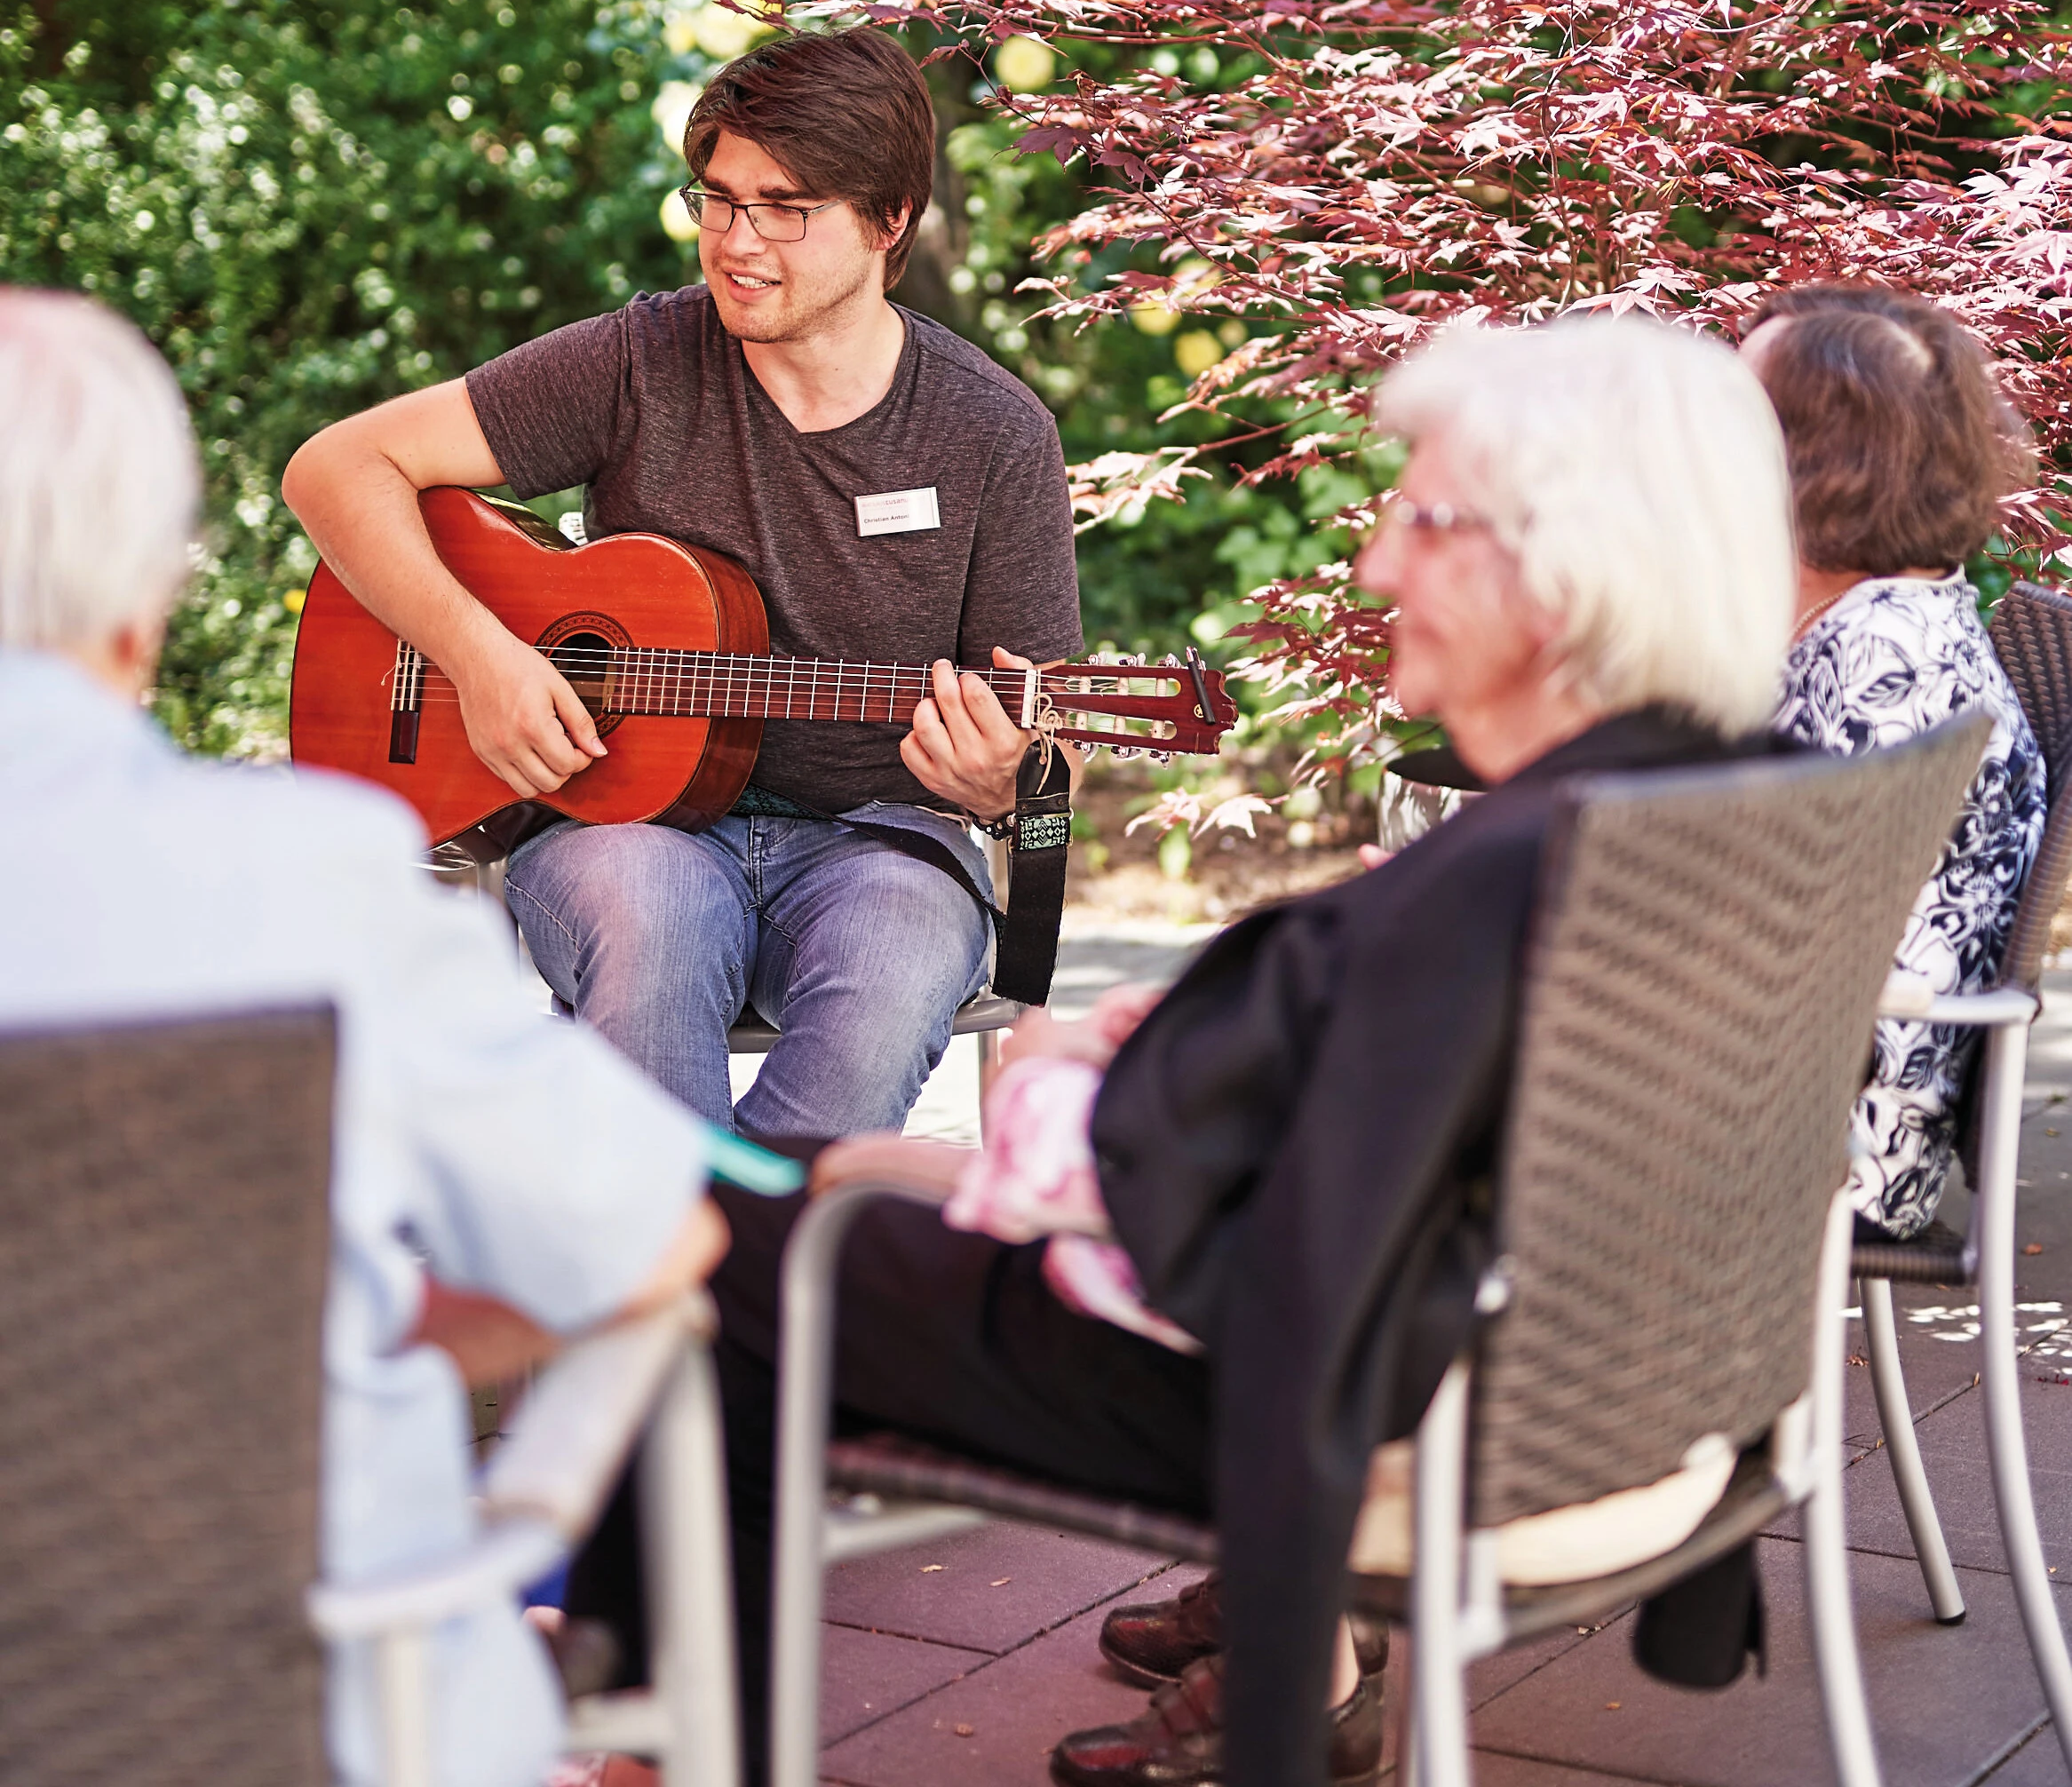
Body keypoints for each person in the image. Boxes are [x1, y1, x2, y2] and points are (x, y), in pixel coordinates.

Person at [563, 314, 1801, 1787]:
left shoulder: (1494, 881)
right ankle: (653, 1707)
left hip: (1310, 1385)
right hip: (1591, 1396)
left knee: (717, 1234)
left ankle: (656, 1731)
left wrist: (1039, 1107)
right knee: (783, 1190)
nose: (1374, 566)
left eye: (1420, 521)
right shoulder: (1719, 808)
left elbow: (1219, 1241)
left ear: (1562, 571)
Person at [0, 288, 726, 1787]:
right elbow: (653, 1244)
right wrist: (338, 1321)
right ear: (144, 600)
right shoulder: (311, 881)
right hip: (337, 1709)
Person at [283, 27, 1084, 1137]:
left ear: (889, 218)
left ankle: (712, 1233)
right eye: (718, 198)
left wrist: (1007, 781)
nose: (735, 241)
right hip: (626, 826)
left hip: (882, 843)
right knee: (650, 925)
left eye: (784, 208)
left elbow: (1048, 747)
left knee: (894, 961)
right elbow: (334, 468)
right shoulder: (637, 361)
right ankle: (691, 1234)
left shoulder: (993, 432)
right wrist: (483, 659)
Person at [1741, 282, 2045, 1238]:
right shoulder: (1882, 611)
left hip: (1824, 1150)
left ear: (1826, 456)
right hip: (1795, 1100)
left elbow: (1785, 940)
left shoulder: (1885, 657)